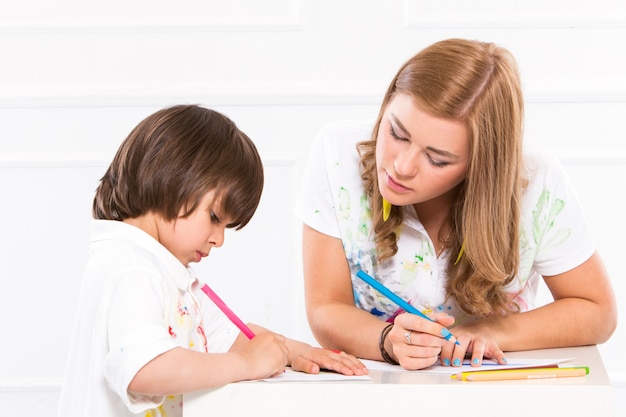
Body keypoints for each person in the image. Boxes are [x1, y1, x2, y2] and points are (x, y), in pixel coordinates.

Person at [295, 38, 617, 371]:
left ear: (480, 167)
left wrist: (484, 331)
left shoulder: (537, 182)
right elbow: (325, 307)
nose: (402, 166)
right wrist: (388, 341)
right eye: (397, 133)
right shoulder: (337, 153)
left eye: (437, 159)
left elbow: (598, 312)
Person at [58, 104, 367, 417]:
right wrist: (247, 364)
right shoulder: (134, 268)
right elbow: (144, 369)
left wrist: (295, 352)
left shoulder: (163, 270)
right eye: (215, 217)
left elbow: (231, 337)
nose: (219, 240)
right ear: (172, 179)